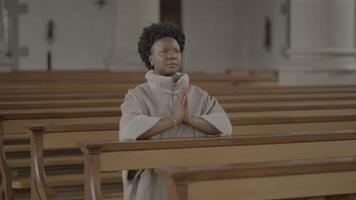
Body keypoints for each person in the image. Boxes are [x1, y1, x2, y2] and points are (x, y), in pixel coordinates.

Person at [119, 22, 232, 200]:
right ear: (150, 59)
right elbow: (129, 130)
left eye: (176, 51)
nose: (172, 56)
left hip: (191, 174)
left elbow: (225, 126)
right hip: (153, 180)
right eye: (164, 52)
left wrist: (189, 118)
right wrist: (173, 120)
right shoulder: (138, 95)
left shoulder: (198, 94)